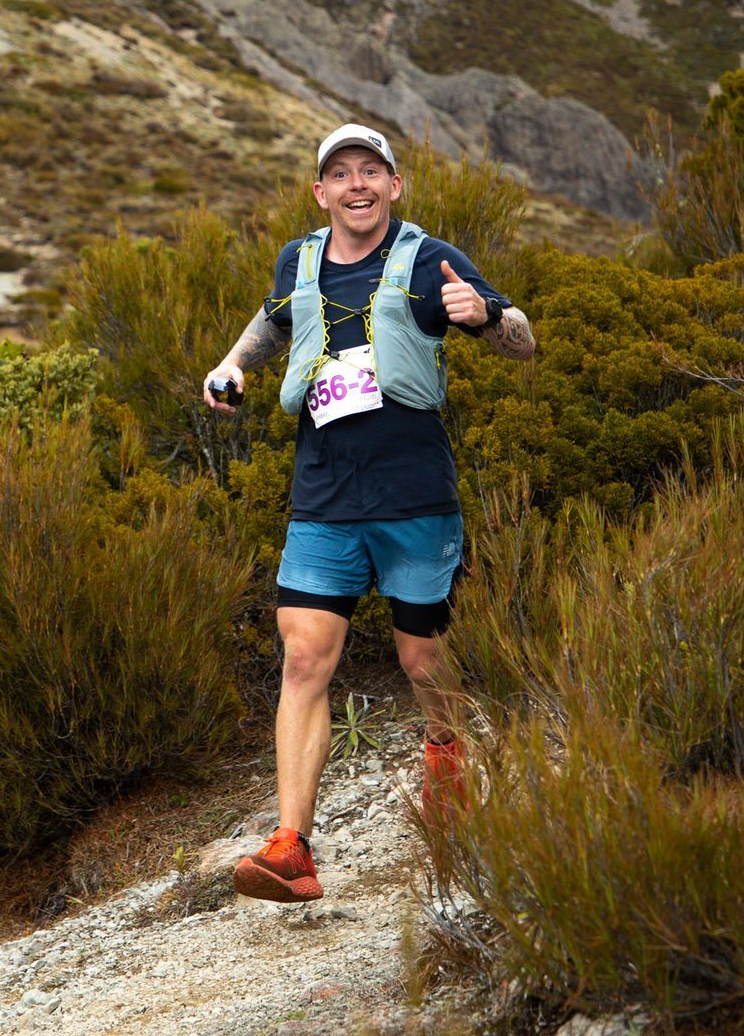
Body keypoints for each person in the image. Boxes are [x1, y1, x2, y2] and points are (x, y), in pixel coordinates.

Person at [201, 123, 535, 903]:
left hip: (414, 495)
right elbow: (275, 318)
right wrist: (233, 363)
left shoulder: (428, 258)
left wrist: (486, 317)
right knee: (305, 658)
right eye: (340, 174)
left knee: (424, 661)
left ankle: (446, 754)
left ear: (394, 185)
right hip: (322, 495)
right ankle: (292, 847)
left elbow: (521, 340)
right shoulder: (301, 258)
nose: (356, 185)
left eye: (371, 171)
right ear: (320, 192)